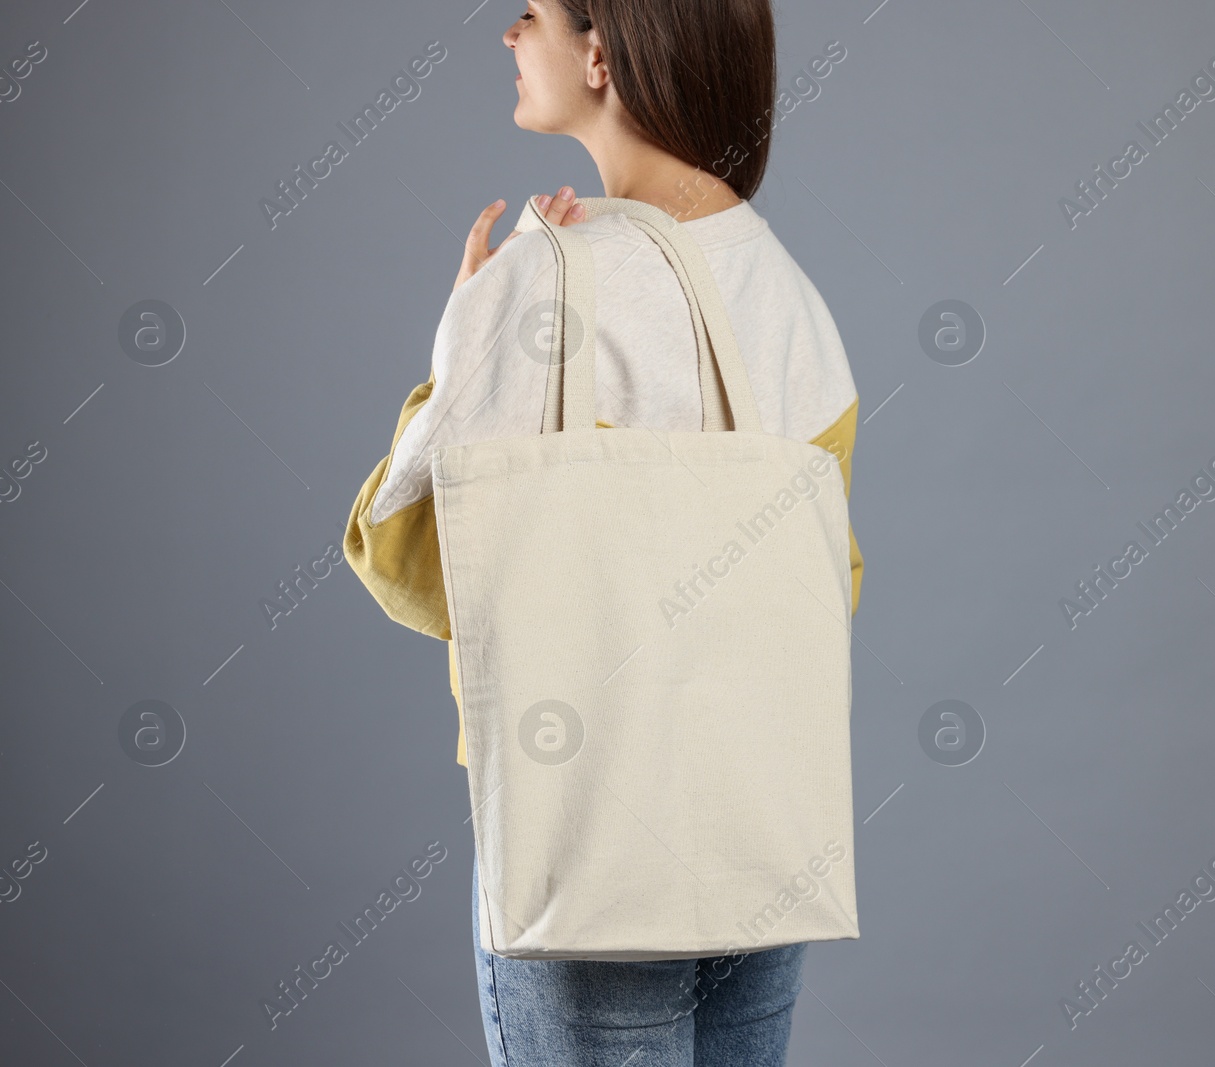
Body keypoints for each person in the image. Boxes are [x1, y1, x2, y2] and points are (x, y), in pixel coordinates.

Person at [342, 0, 862, 1063]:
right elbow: (826, 583)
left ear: (599, 49)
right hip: (761, 829)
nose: (506, 35)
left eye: (526, 12)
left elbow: (408, 561)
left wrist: (459, 342)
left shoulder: (539, 284)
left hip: (586, 831)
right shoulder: (793, 296)